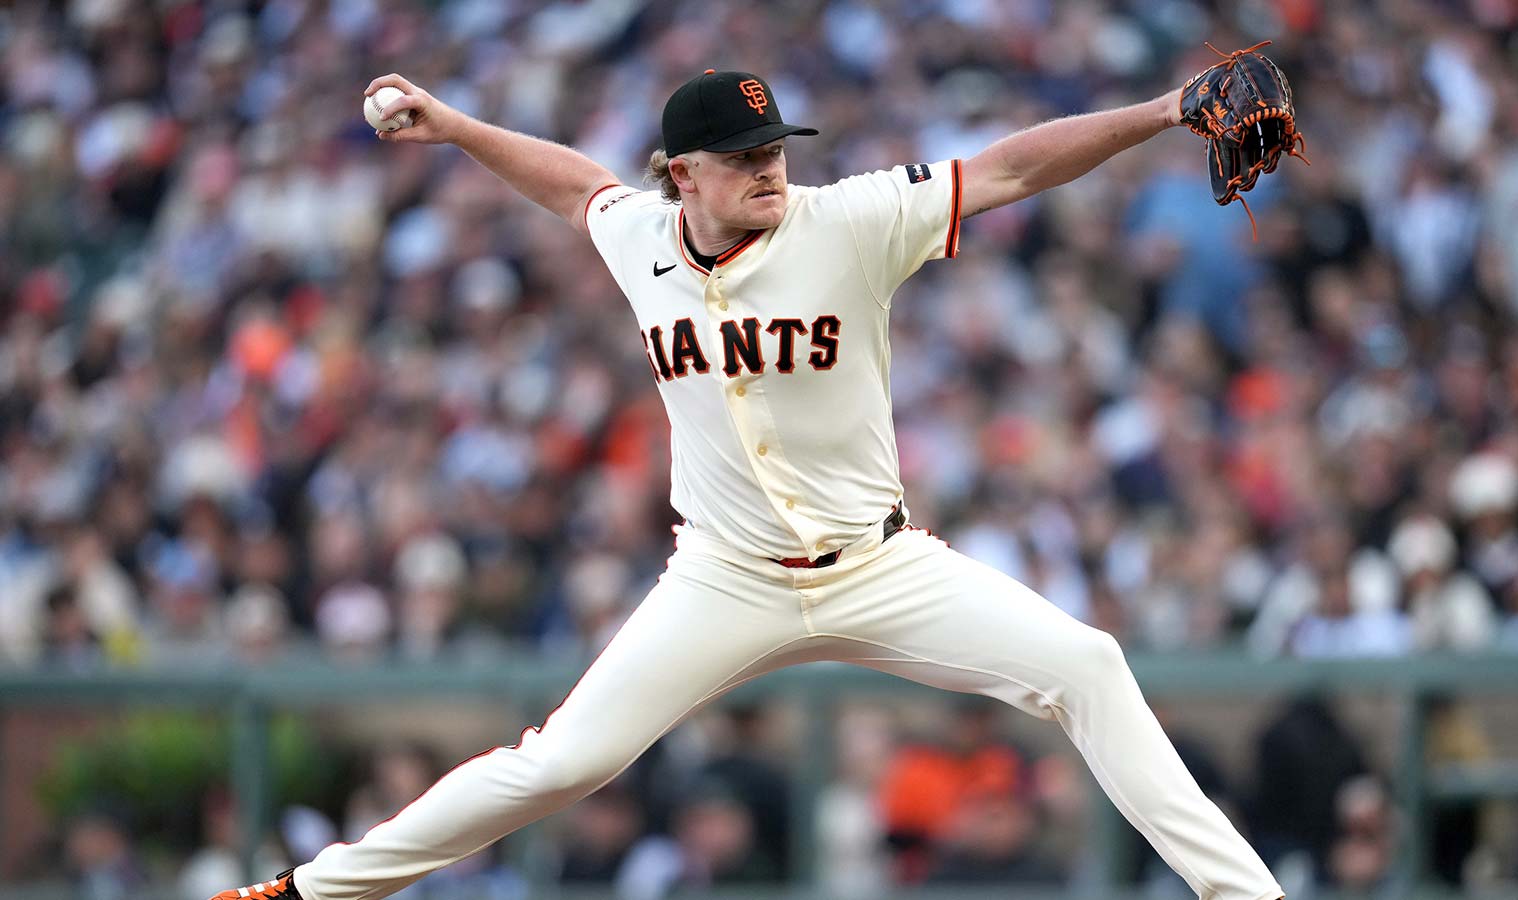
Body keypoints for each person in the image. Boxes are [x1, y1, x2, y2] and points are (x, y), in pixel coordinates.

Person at [211, 66, 1284, 900]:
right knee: (559, 765)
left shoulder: (851, 220)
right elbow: (572, 185)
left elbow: (1006, 168)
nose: (767, 167)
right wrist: (453, 127)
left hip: (879, 564)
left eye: (772, 146)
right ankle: (311, 889)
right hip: (722, 578)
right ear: (681, 173)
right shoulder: (641, 237)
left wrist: (1161, 111)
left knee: (1087, 664)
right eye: (738, 154)